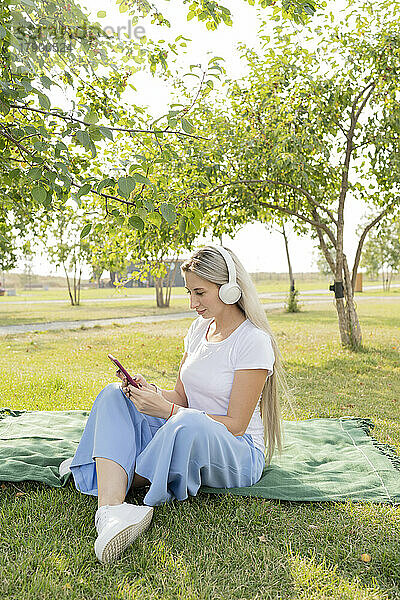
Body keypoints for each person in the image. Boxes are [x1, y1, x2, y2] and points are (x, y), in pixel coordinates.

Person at [61, 245, 286, 564]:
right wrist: (149, 391)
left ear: (230, 289)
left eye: (200, 293)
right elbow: (181, 397)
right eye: (189, 292)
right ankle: (112, 513)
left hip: (238, 450)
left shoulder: (253, 341)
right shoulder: (199, 330)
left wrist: (168, 412)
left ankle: (108, 463)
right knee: (115, 393)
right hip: (187, 424)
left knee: (188, 423)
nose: (193, 303)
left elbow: (235, 424)